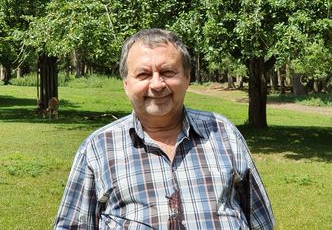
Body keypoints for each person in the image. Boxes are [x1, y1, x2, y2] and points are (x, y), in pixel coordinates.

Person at [54, 28, 275, 230]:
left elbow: (260, 221)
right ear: (126, 84)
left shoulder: (223, 132)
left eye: (168, 72)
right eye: (143, 74)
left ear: (187, 77)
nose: (157, 84)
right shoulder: (99, 147)